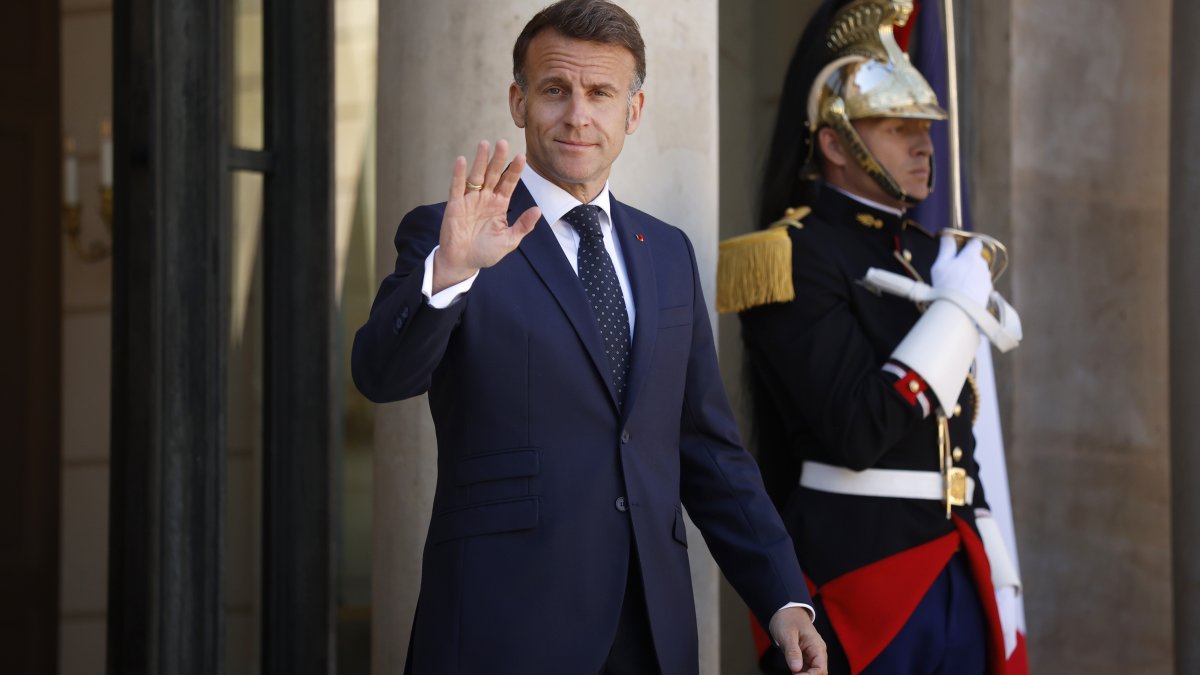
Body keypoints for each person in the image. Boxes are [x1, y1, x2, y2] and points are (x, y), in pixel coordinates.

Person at [351, 1, 827, 673]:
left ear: (633, 112)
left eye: (601, 93)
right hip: (502, 628)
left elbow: (708, 448)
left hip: (651, 632)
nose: (578, 115)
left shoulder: (666, 252)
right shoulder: (450, 233)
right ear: (518, 102)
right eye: (555, 90)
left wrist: (784, 596)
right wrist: (451, 271)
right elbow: (380, 372)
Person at [720, 0, 1022, 673]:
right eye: (896, 126)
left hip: (961, 562)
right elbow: (855, 430)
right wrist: (952, 315)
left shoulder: (926, 253)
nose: (923, 144)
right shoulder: (791, 254)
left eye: (925, 127)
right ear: (835, 142)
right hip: (862, 582)